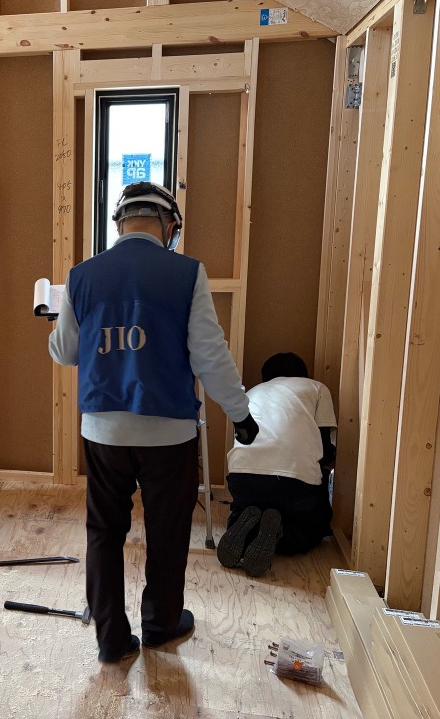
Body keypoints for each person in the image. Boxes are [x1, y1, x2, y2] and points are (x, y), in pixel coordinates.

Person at [48, 181, 258, 663]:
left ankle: (111, 640)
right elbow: (210, 355)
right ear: (169, 226)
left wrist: (60, 322)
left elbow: (64, 352)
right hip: (169, 432)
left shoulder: (82, 275)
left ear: (119, 224)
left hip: (103, 430)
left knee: (104, 531)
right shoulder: (187, 273)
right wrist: (241, 414)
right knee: (167, 531)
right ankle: (161, 625)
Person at [217, 352, 337, 577]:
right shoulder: (317, 388)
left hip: (243, 477)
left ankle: (242, 527)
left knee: (242, 509)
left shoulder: (252, 392)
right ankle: (282, 532)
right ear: (302, 374)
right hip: (293, 484)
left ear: (266, 377)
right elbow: (323, 445)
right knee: (316, 523)